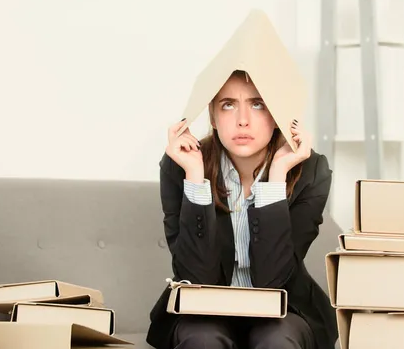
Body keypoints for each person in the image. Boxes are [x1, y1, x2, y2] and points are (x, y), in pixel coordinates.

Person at [145, 70, 338, 349]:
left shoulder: (311, 171)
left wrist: (277, 176)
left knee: (277, 340)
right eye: (228, 104)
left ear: (277, 115)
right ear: (213, 117)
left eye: (257, 104)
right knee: (203, 339)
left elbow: (273, 279)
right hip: (203, 312)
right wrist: (196, 178)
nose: (242, 120)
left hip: (285, 308)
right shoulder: (181, 165)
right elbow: (197, 278)